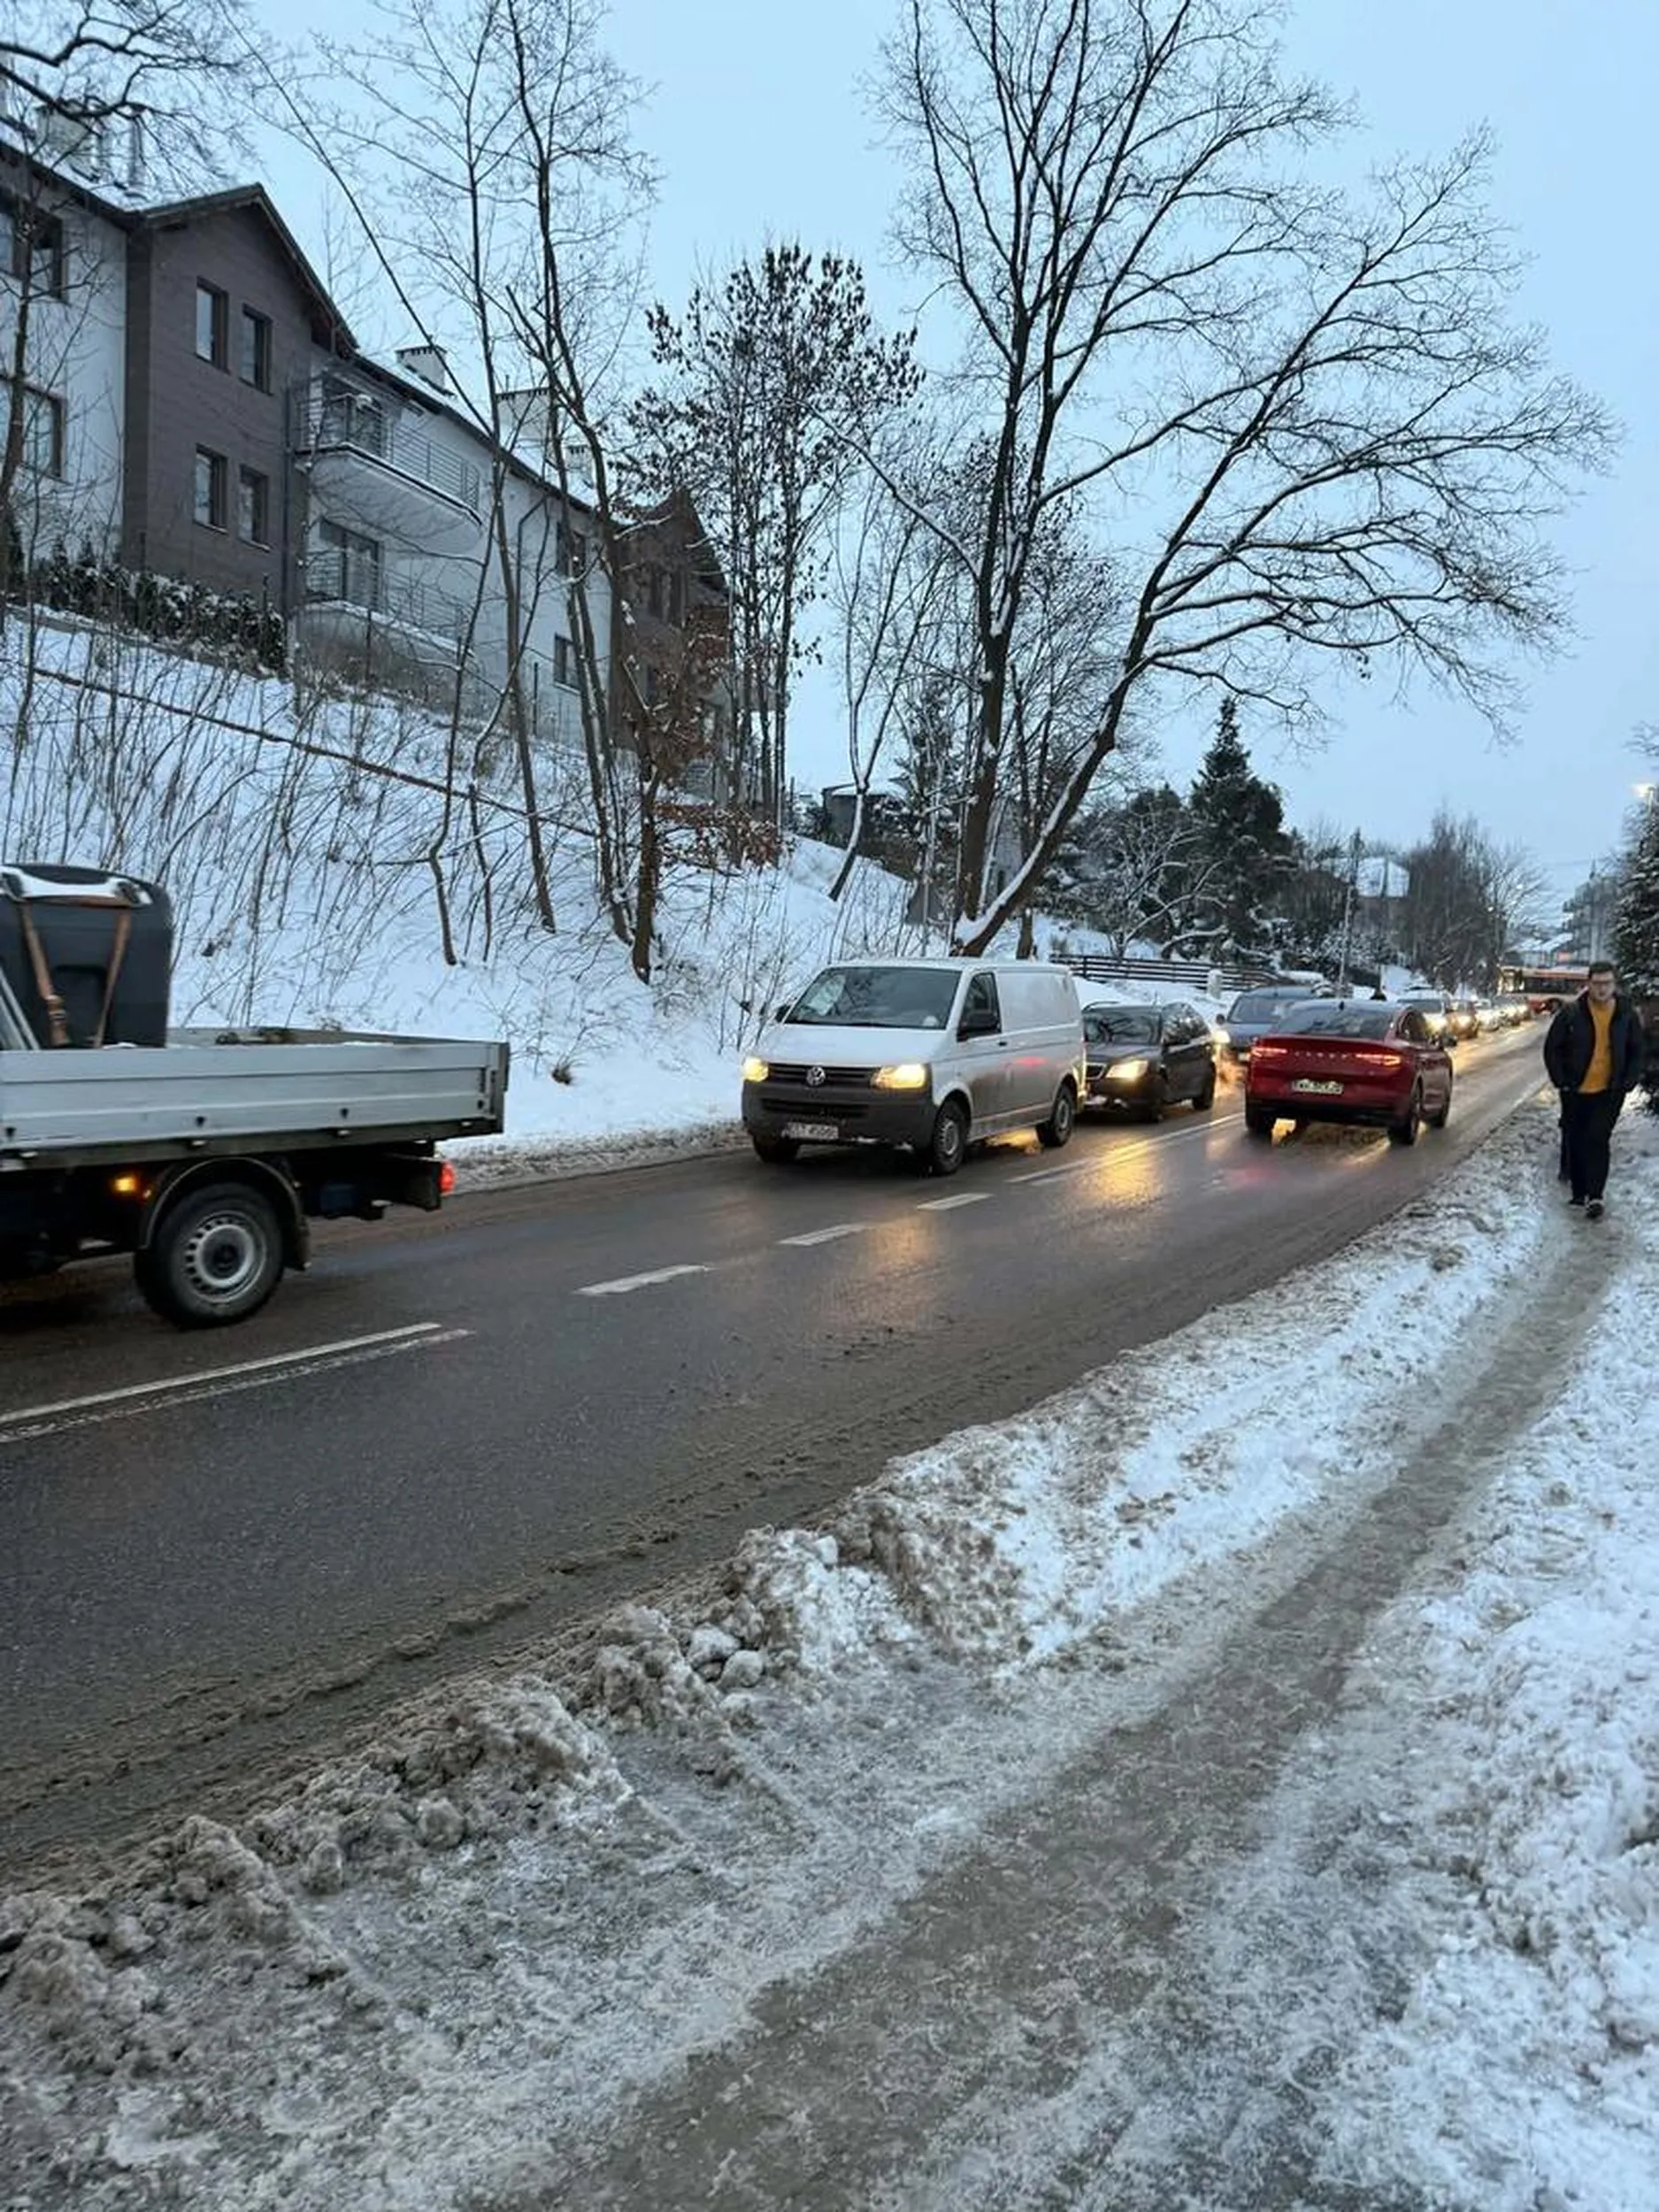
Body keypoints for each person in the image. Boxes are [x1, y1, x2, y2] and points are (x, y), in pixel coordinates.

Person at [1543, 960, 1644, 1219]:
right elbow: (1552, 1048)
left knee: (1598, 1137)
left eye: (1607, 983)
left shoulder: (1625, 1014)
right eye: (1597, 983)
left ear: (1614, 985)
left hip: (1610, 1090)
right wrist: (1561, 1080)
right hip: (1575, 1088)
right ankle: (1579, 1192)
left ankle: (1595, 1195)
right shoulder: (1572, 1013)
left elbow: (1637, 1050)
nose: (1602, 989)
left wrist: (1629, 1079)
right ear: (1588, 984)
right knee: (1576, 1138)